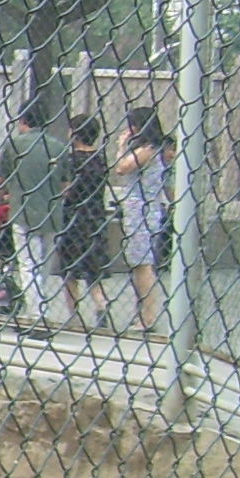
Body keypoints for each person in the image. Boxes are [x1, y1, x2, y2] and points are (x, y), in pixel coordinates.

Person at [0, 102, 63, 329]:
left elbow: (0, 180)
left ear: (23, 121)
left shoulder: (15, 145)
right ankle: (39, 305)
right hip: (52, 213)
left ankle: (36, 314)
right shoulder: (58, 147)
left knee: (27, 264)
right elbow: (67, 183)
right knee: (43, 265)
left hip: (23, 211)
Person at [115, 105, 173, 333]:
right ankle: (143, 312)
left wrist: (120, 146)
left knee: (142, 263)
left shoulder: (149, 149)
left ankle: (148, 316)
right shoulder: (150, 148)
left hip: (141, 209)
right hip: (139, 208)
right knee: (138, 263)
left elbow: (121, 168)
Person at [57, 114, 112, 330]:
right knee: (93, 268)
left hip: (73, 217)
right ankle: (101, 304)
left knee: (70, 270)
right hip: (96, 215)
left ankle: (74, 314)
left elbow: (67, 190)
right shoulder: (100, 159)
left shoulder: (71, 160)